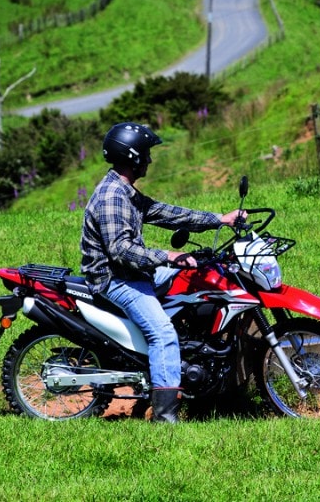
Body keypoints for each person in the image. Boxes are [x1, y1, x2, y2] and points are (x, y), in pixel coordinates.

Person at [79, 122, 243, 423]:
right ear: (133, 157)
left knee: (196, 281)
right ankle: (165, 415)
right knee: (162, 333)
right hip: (115, 279)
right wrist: (169, 256)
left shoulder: (126, 191)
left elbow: (167, 213)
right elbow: (121, 251)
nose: (150, 160)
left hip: (132, 273)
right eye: (146, 154)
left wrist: (221, 219)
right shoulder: (112, 197)